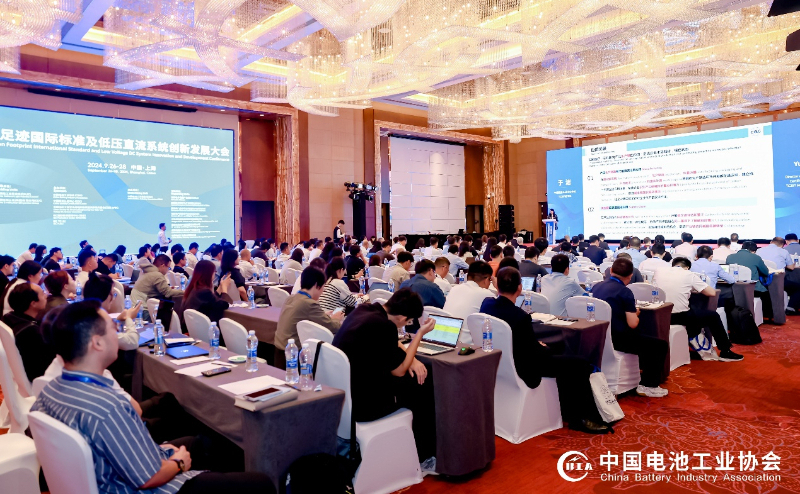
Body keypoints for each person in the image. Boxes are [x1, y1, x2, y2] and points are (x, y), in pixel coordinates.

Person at [32, 301, 275, 493]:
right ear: (97, 343)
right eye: (113, 328)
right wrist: (178, 463)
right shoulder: (108, 406)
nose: (118, 333)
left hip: (107, 477)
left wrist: (159, 452)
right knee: (260, 483)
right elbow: (148, 478)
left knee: (204, 444)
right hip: (142, 486)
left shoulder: (49, 391)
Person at [481, 267, 612, 433]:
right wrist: (542, 348)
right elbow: (532, 354)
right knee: (580, 363)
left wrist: (537, 346)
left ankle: (568, 410)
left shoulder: (487, 304)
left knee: (562, 355)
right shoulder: (520, 317)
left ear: (497, 285)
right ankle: (582, 418)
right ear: (520, 288)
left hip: (499, 363)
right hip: (525, 367)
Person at [332, 290, 437, 464]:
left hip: (345, 395)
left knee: (415, 378)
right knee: (423, 384)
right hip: (365, 405)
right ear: (403, 318)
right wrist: (419, 334)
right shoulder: (384, 326)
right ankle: (424, 455)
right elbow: (400, 371)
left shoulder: (365, 310)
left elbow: (392, 343)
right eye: (408, 322)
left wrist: (412, 358)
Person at [592, 258, 669, 398]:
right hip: (618, 339)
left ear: (611, 271)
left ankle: (640, 373)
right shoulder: (625, 292)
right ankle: (648, 385)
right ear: (630, 276)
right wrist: (636, 313)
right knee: (659, 345)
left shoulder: (597, 286)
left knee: (645, 339)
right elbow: (633, 323)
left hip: (598, 335)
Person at [653, 258, 743, 361]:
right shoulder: (689, 274)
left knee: (692, 313)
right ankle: (725, 351)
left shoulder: (659, 271)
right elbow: (711, 292)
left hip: (660, 314)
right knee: (713, 316)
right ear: (687, 268)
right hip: (679, 316)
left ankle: (691, 343)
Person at [274, 267, 343, 368]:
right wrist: (336, 319)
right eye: (323, 287)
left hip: (279, 352)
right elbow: (333, 327)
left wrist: (324, 315)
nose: (323, 291)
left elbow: (303, 314)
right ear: (316, 285)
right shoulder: (309, 303)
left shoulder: (291, 298)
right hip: (293, 357)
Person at [2, 282, 54, 381]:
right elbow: (46, 365)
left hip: (14, 375)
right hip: (35, 380)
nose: (46, 296)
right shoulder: (32, 332)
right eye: (42, 293)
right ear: (33, 303)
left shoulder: (8, 318)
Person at [83, 273, 141, 351]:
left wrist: (118, 319)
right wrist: (129, 318)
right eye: (113, 294)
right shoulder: (98, 325)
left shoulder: (85, 314)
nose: (114, 298)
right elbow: (132, 342)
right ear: (105, 295)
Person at [726, 241, 772, 317]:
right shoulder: (756, 257)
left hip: (733, 289)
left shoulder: (730, 257)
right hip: (754, 289)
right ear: (753, 251)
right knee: (767, 293)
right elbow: (766, 272)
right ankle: (767, 316)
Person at [757, 237, 800, 313]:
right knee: (798, 287)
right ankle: (790, 308)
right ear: (782, 245)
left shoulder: (759, 250)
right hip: (777, 281)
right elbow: (791, 267)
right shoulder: (783, 251)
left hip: (761, 281)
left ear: (771, 242)